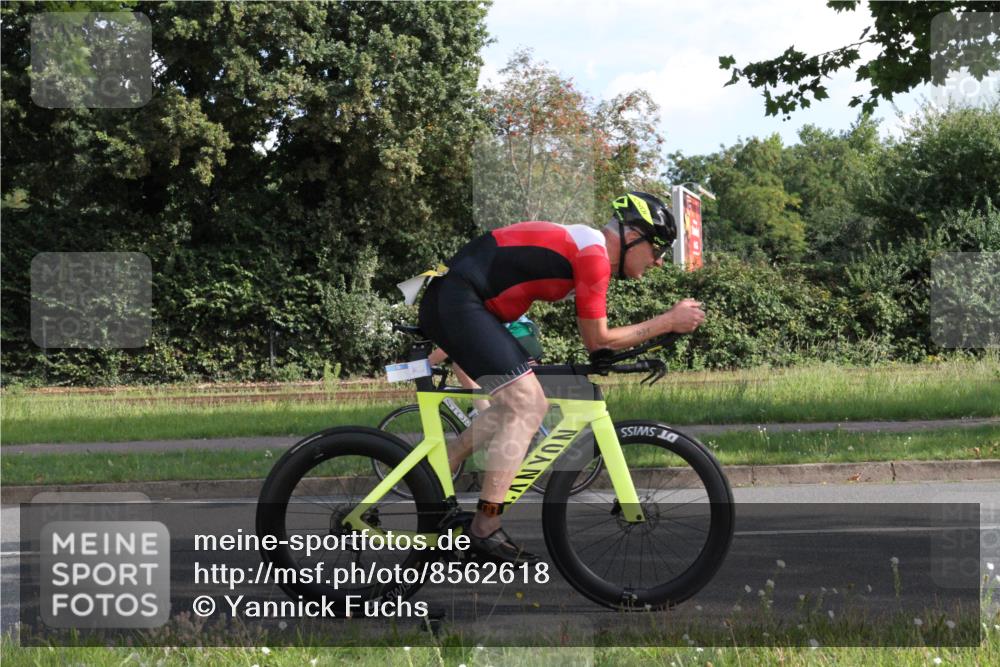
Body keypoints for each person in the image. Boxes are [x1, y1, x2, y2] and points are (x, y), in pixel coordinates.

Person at [418, 192, 706, 563]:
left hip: (466, 301)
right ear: (632, 234)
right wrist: (667, 321)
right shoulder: (595, 255)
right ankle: (484, 527)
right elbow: (598, 339)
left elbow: (597, 345)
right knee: (528, 403)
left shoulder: (591, 250)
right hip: (460, 299)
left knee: (517, 402)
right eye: (657, 248)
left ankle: (439, 466)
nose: (660, 261)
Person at [427, 315, 544, 472]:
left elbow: (449, 347)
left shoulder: (459, 305)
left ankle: (486, 414)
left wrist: (420, 366)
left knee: (460, 365)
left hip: (517, 339)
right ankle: (488, 414)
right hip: (522, 338)